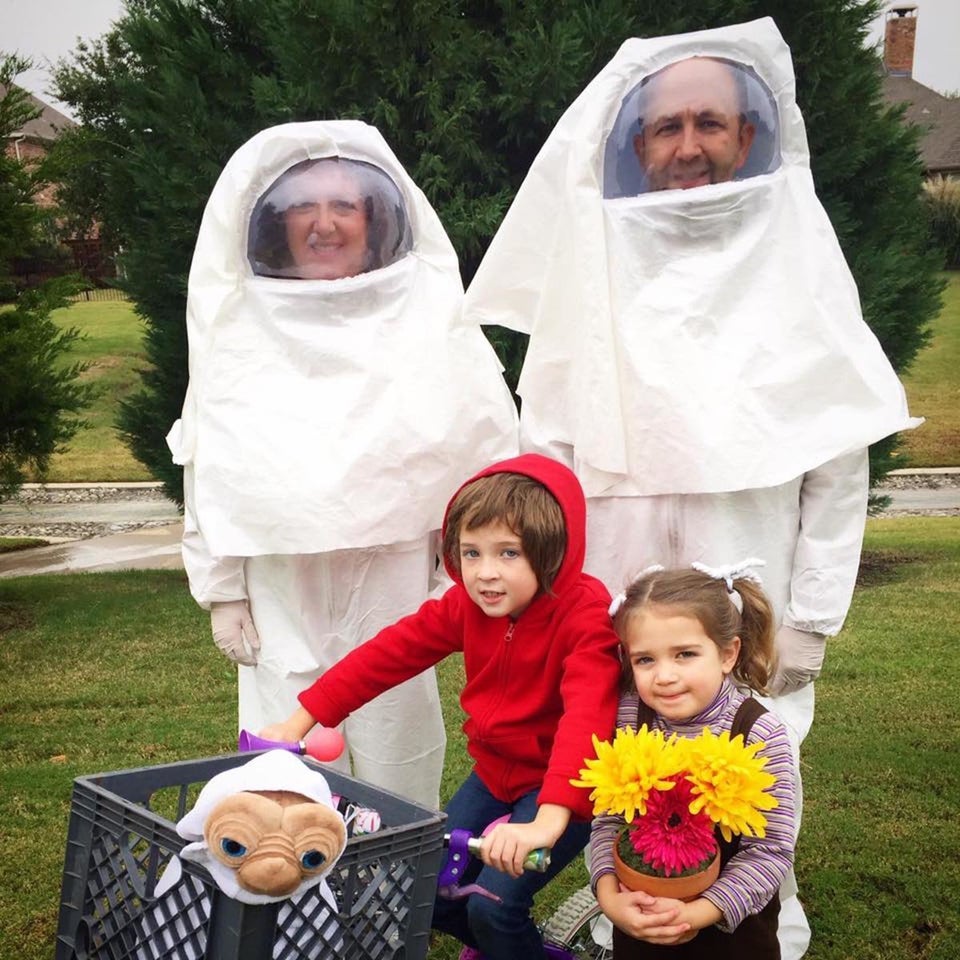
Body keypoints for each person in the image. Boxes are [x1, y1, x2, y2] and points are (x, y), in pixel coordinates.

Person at [462, 19, 920, 957]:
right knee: (623, 755)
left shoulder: (797, 269)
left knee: (759, 755)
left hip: (751, 579)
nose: (687, 144)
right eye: (665, 128)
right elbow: (543, 455)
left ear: (749, 136)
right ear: (637, 147)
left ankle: (758, 912)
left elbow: (836, 465)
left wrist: (815, 620)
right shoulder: (588, 273)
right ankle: (628, 901)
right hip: (619, 577)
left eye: (710, 121)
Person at [166, 120, 519, 811]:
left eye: (344, 206)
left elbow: (482, 451)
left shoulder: (424, 316)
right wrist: (222, 586)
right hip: (278, 580)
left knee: (396, 737)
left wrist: (458, 574)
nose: (323, 224)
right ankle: (295, 898)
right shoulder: (241, 325)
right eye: (302, 206)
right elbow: (210, 461)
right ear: (271, 223)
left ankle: (388, 897)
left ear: (378, 218)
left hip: (392, 572)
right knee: (283, 743)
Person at [259, 453, 623, 960]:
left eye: (509, 554)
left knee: (493, 907)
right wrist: (299, 720)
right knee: (424, 888)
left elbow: (587, 719)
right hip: (494, 773)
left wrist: (548, 819)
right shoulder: (466, 606)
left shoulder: (585, 617)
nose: (485, 574)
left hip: (559, 786)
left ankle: (502, 941)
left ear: (554, 552)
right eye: (471, 553)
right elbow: (388, 654)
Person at [591, 562, 796, 958]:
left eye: (684, 654)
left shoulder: (758, 734)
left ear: (727, 654)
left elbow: (770, 852)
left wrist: (697, 913)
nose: (664, 675)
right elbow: (608, 821)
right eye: (645, 660)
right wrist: (610, 898)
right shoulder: (631, 717)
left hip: (731, 932)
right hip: (640, 921)